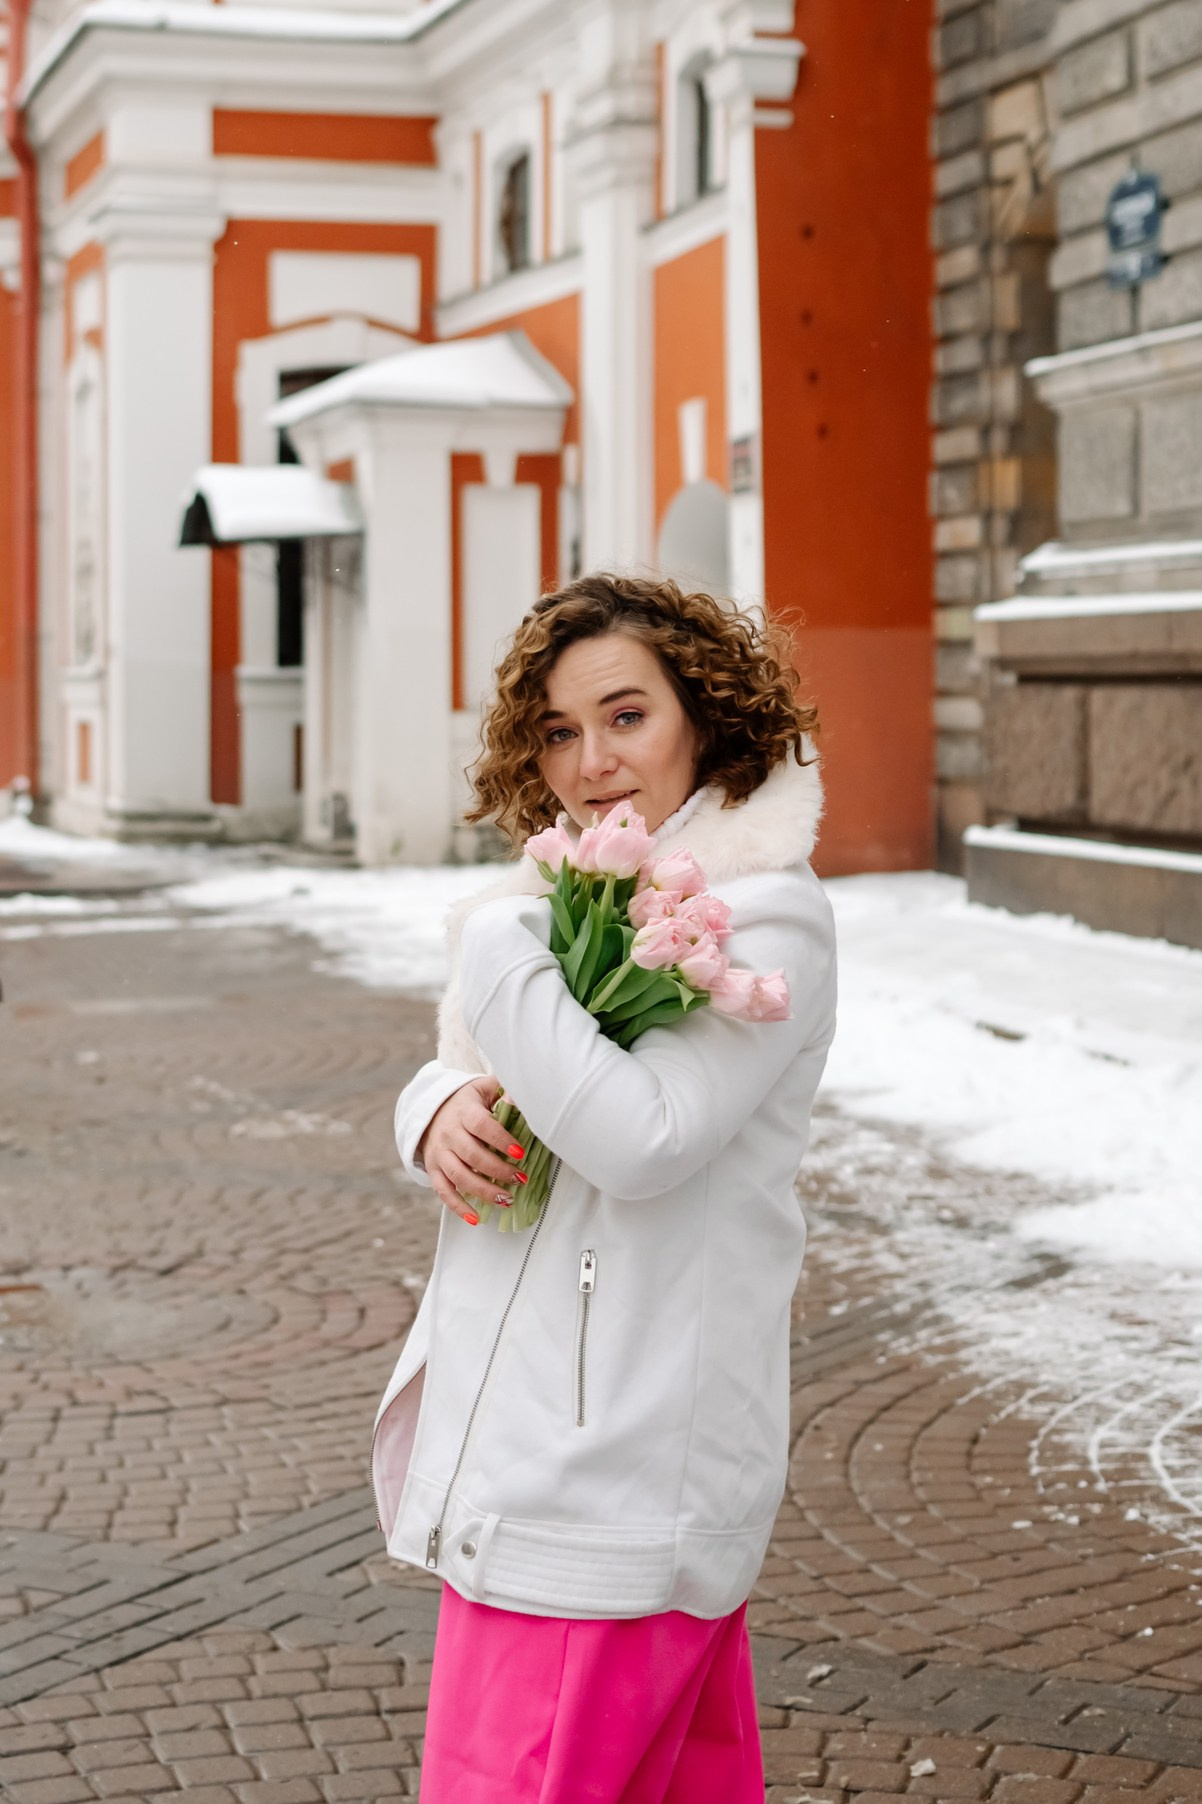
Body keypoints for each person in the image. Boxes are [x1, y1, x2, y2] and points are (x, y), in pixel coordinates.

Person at [372, 572, 837, 1802]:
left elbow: (640, 1138)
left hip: (605, 1482)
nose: (591, 763)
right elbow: (517, 1092)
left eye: (625, 716)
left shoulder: (759, 915)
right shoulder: (567, 904)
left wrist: (492, 949)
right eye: (559, 730)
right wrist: (430, 1111)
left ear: (705, 715)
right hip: (550, 1463)